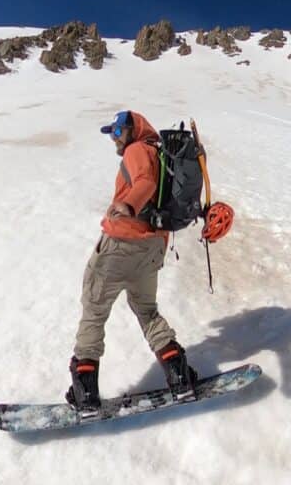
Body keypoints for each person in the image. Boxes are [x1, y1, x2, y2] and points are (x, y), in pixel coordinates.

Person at [66, 110, 198, 414]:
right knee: (147, 311)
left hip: (122, 245)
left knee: (94, 310)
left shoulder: (138, 149)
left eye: (117, 132)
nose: (114, 139)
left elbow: (146, 182)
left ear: (131, 130)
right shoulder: (160, 154)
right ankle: (179, 376)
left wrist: (127, 204)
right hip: (152, 248)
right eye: (111, 133)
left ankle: (85, 393)